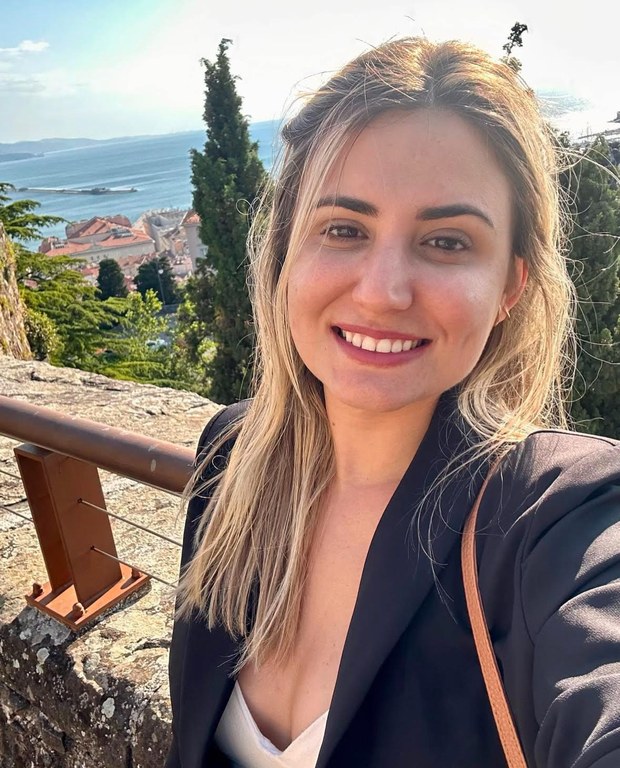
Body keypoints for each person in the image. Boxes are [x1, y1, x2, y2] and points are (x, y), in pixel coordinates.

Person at [166, 37, 620, 768]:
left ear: (510, 287)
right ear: (286, 253)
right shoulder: (232, 459)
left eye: (447, 242)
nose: (382, 292)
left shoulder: (557, 515)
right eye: (344, 229)